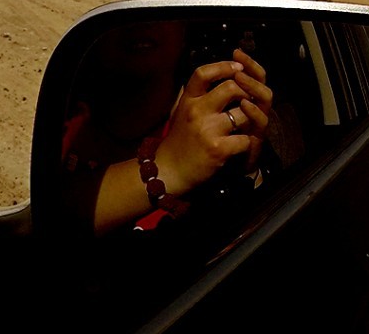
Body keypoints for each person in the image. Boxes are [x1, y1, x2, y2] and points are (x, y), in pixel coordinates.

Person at [60, 19, 275, 237]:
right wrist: (170, 166)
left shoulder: (221, 123)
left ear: (184, 30)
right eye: (126, 9)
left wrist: (246, 167)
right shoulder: (67, 123)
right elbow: (46, 216)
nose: (140, 22)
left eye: (158, 12)